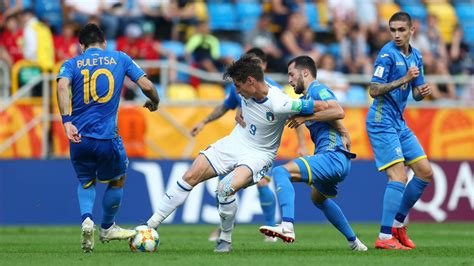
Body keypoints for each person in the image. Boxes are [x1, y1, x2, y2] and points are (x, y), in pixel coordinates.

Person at [147, 54, 328, 253]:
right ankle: (149, 226)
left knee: (225, 188)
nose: (236, 91)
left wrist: (314, 117)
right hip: (235, 142)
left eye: (238, 86)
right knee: (190, 176)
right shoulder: (245, 92)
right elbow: (230, 102)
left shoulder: (280, 102)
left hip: (259, 155)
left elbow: (322, 106)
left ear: (250, 81)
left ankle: (225, 240)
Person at [56, 23, 160, 253]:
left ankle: (86, 220)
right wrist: (155, 101)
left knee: (86, 181)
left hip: (78, 137)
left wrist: (67, 121)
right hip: (106, 137)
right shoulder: (119, 58)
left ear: (81, 46)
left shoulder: (71, 64)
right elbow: (147, 85)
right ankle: (106, 228)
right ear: (104, 43)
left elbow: (62, 86)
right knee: (118, 178)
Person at [190, 47, 309, 243]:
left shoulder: (272, 91)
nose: (251, 67)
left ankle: (271, 230)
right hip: (240, 143)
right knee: (222, 185)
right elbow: (226, 105)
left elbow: (294, 114)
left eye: (255, 63)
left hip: (261, 148)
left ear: (264, 66)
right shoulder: (237, 86)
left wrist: (302, 144)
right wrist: (204, 122)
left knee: (262, 182)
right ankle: (224, 227)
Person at [258, 56, 368, 252]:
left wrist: (307, 118)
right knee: (318, 199)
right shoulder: (306, 100)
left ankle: (287, 226)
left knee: (281, 173)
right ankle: (355, 243)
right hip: (336, 159)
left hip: (332, 156)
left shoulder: (318, 89)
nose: (290, 80)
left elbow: (337, 110)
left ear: (305, 73)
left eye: (292, 74)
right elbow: (316, 113)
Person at [367, 12, 433, 250]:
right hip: (380, 121)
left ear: (411, 31)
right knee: (399, 177)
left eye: (401, 30)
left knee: (425, 172)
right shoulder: (386, 55)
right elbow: (373, 90)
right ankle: (384, 237)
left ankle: (397, 224)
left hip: (398, 122)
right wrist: (403, 78)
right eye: (393, 30)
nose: (396, 34)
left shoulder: (416, 56)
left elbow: (415, 92)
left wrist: (421, 91)